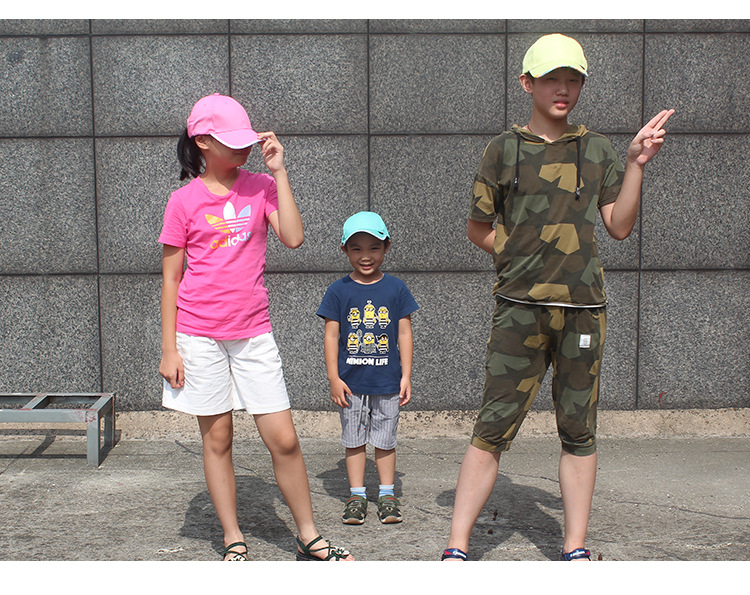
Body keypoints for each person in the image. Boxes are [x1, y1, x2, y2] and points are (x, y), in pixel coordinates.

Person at [442, 34, 674, 561]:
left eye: (573, 79)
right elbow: (478, 227)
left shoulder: (598, 150)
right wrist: (517, 254)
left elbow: (618, 226)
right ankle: (456, 547)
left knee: (578, 430)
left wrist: (637, 164)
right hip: (519, 308)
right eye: (551, 79)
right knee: (492, 426)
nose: (563, 89)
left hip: (583, 310)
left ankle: (574, 549)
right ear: (527, 83)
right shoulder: (503, 149)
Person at [158, 93, 353, 562]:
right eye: (232, 140)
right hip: (198, 335)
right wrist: (169, 349)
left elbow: (293, 237)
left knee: (284, 438)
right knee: (218, 439)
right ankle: (233, 537)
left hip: (253, 334)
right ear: (203, 141)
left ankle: (308, 534)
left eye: (246, 138)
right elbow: (171, 278)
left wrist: (280, 172)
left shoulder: (261, 187)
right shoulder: (183, 201)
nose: (244, 147)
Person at [316, 211, 419, 526]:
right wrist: (333, 378)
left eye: (374, 247)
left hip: (387, 382)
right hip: (351, 383)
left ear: (386, 247)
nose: (366, 255)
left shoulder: (396, 288)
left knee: (386, 441)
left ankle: (387, 494)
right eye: (356, 248)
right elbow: (331, 335)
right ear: (344, 250)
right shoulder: (338, 290)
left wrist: (406, 375)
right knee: (353, 440)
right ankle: (357, 495)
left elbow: (404, 333)